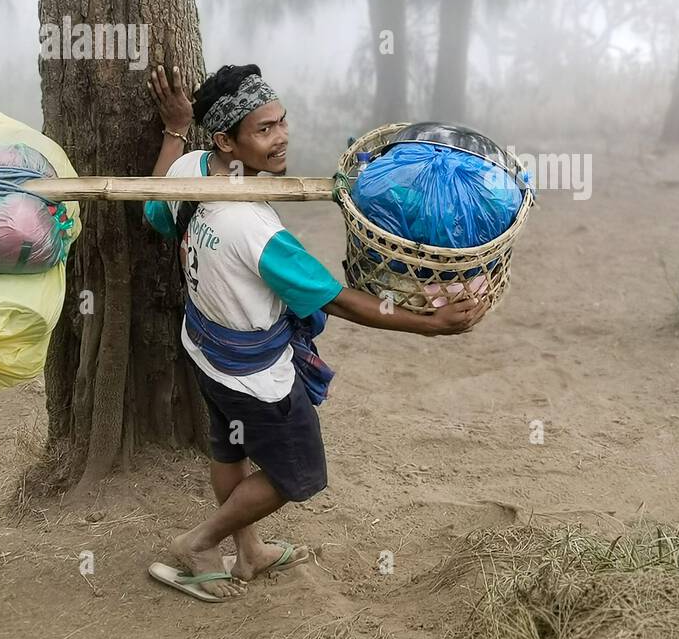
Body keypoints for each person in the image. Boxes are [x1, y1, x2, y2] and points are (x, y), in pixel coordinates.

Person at [144, 63, 483, 601]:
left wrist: (173, 130)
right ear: (226, 140)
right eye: (263, 130)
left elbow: (152, 205)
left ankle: (247, 552)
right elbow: (337, 299)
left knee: (232, 450)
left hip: (205, 349)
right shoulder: (254, 230)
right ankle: (200, 543)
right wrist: (428, 325)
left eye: (281, 122)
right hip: (256, 376)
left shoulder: (191, 168)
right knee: (297, 474)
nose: (281, 138)